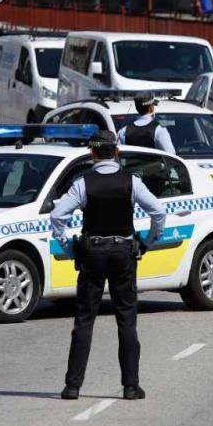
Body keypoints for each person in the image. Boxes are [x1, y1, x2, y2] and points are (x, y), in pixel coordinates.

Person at [51, 130, 166, 400]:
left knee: (84, 320)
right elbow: (158, 212)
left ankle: (72, 386)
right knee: (126, 319)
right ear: (116, 151)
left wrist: (69, 246)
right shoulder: (131, 182)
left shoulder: (83, 183)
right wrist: (147, 242)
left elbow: (58, 216)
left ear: (92, 153)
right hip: (124, 251)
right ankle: (130, 386)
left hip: (93, 252)